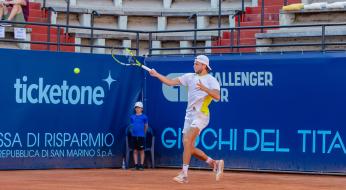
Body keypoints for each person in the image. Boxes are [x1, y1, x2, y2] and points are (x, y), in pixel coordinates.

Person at [149, 55, 224, 183]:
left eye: (197, 64)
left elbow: (217, 96)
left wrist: (205, 89)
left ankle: (184, 174)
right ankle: (214, 162)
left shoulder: (211, 80)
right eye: (194, 63)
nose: (194, 65)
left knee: (188, 140)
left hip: (201, 115)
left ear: (204, 65)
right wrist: (156, 74)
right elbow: (170, 82)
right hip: (189, 116)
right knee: (188, 145)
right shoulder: (189, 77)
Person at [130, 101, 148, 171]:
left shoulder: (144, 117)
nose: (137, 109)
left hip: (141, 136)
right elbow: (131, 126)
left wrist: (143, 133)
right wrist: (133, 133)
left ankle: (141, 165)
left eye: (139, 108)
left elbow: (146, 126)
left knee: (142, 151)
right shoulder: (132, 117)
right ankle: (136, 165)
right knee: (135, 151)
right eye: (136, 108)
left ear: (142, 109)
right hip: (134, 136)